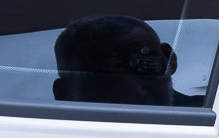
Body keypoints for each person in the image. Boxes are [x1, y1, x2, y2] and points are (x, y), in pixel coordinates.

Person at [53, 13, 199, 106]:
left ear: (169, 60)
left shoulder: (218, 117)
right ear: (64, 93)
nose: (136, 89)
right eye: (103, 81)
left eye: (146, 64)